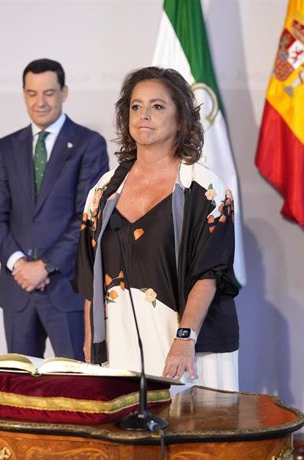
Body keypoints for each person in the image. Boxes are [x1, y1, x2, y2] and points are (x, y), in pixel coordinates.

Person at [73, 67, 240, 391]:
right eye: (136, 106)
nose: (143, 115)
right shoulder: (104, 191)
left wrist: (185, 338)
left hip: (190, 348)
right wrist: (91, 343)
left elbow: (209, 275)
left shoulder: (205, 189)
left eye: (157, 106)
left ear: (180, 119)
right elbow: (88, 274)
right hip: (121, 348)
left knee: (195, 440)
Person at [0, 58, 109, 361]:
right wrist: (18, 264)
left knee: (76, 386)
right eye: (32, 93)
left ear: (64, 92)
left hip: (65, 289)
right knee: (20, 392)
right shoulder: (7, 147)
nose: (40, 102)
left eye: (49, 93)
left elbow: (88, 217)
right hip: (18, 291)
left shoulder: (88, 144)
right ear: (24, 94)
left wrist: (44, 266)